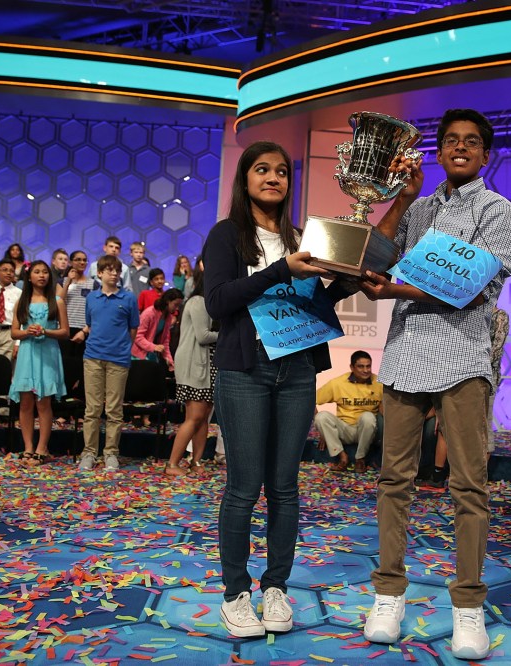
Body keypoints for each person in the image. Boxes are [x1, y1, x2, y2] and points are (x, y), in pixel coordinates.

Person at [360, 108, 511, 661]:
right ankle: (388, 595)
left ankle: (468, 606)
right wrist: (402, 199)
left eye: (471, 141)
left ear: (485, 154)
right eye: (451, 140)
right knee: (393, 480)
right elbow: (375, 257)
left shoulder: (499, 211)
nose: (460, 148)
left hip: (465, 359)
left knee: (468, 487)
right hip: (406, 354)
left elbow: (470, 289)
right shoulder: (422, 209)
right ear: (440, 150)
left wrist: (393, 292)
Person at [203, 140, 352, 638]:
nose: (273, 178)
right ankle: (235, 594)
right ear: (245, 178)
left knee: (285, 488)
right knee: (244, 488)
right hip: (246, 369)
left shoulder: (303, 237)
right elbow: (218, 302)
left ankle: (276, 588)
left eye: (282, 171)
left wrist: (351, 280)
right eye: (262, 169)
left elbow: (314, 301)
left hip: (298, 369)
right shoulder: (227, 234)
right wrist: (281, 269)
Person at [75, 254, 139, 472]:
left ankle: (111, 453)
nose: (114, 273)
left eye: (117, 270)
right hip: (93, 357)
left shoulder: (128, 298)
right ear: (100, 273)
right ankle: (89, 453)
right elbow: (90, 323)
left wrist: (123, 349)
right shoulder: (92, 298)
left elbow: (133, 329)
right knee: (92, 408)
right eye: (109, 270)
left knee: (114, 409)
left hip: (118, 359)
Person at [10, 260, 68, 465]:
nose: (42, 275)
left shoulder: (57, 301)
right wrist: (27, 332)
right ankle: (28, 447)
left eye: (45, 272)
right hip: (27, 353)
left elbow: (65, 332)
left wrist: (46, 331)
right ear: (29, 277)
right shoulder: (21, 302)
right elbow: (14, 332)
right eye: (37, 272)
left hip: (48, 352)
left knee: (43, 402)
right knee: (26, 402)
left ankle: (42, 448)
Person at [166, 265, 217, 476]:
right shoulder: (198, 301)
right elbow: (203, 336)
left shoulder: (209, 303)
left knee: (203, 417)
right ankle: (172, 464)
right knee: (194, 416)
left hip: (207, 364)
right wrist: (229, 335)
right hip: (194, 364)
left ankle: (196, 461)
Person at [314, 350, 383, 473]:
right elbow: (311, 401)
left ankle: (360, 459)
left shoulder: (379, 383)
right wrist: (323, 432)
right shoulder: (338, 383)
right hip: (344, 430)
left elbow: (386, 410)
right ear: (352, 367)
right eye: (361, 366)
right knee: (321, 417)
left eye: (368, 366)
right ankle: (342, 457)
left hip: (367, 431)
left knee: (368, 417)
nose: (366, 370)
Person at [132, 288, 182, 370]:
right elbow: (137, 336)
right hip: (137, 356)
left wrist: (169, 359)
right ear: (167, 301)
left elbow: (165, 341)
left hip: (151, 356)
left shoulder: (168, 317)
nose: (177, 308)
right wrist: (153, 347)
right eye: (175, 305)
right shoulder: (149, 313)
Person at [63, 250, 94, 358]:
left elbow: (95, 310)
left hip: (83, 329)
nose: (82, 262)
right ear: (70, 262)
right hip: (65, 328)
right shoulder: (61, 281)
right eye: (78, 260)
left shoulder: (94, 284)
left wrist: (85, 331)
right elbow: (59, 301)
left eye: (85, 260)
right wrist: (68, 282)